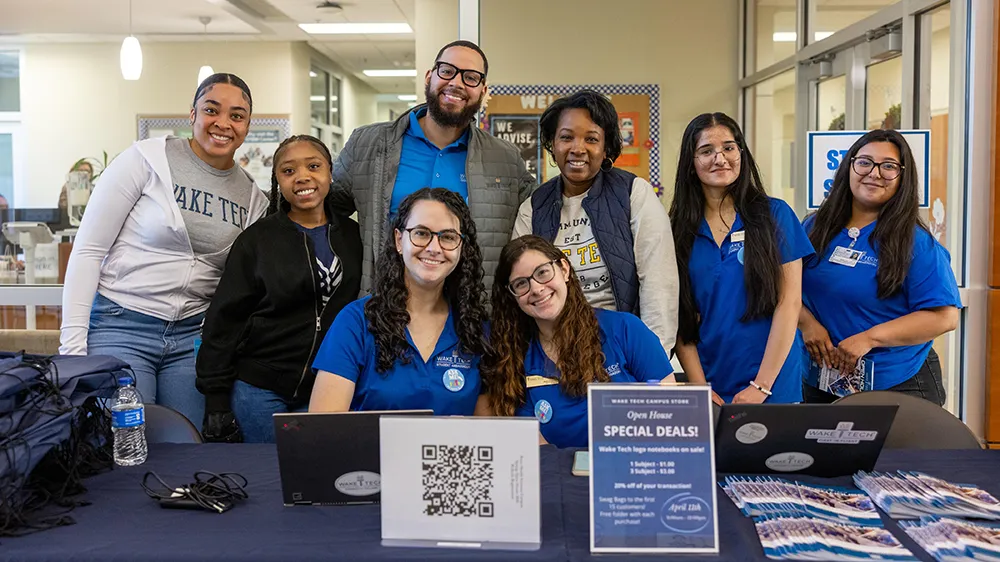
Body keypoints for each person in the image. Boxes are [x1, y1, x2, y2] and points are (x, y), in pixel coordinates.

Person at [59, 73, 269, 429]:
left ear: (247, 125)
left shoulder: (253, 198)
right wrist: (73, 352)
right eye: (211, 110)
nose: (223, 123)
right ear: (192, 115)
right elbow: (88, 251)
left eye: (237, 115)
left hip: (191, 339)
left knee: (185, 446)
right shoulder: (144, 160)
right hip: (122, 326)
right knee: (126, 444)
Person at [329, 39, 535, 294]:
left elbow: (540, 219)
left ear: (483, 91)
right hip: (385, 309)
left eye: (470, 77)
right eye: (447, 71)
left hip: (473, 315)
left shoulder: (505, 160)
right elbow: (321, 211)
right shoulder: (368, 145)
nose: (456, 83)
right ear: (429, 77)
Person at [195, 135, 362, 443]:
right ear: (278, 182)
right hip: (259, 390)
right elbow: (224, 322)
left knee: (317, 478)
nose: (302, 177)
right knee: (269, 476)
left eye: (314, 166)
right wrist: (216, 400)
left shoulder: (355, 237)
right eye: (288, 171)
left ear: (330, 172)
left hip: (328, 387)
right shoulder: (256, 241)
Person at [798, 129, 960, 405]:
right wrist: (806, 323)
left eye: (888, 167)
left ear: (902, 178)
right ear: (849, 166)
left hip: (898, 385)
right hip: (822, 381)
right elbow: (784, 289)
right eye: (865, 162)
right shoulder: (814, 227)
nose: (874, 173)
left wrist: (870, 338)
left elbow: (944, 317)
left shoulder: (915, 242)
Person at [511, 90, 679, 354]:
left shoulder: (634, 193)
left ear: (606, 147)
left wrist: (653, 357)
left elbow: (659, 283)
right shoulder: (532, 207)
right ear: (552, 145)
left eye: (591, 139)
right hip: (554, 350)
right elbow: (521, 286)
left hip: (623, 350)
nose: (578, 148)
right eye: (566, 137)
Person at [669, 112, 813, 405]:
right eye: (706, 151)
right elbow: (681, 319)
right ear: (691, 163)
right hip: (712, 382)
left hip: (774, 384)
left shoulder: (775, 215)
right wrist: (701, 389)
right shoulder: (677, 230)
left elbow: (789, 304)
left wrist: (761, 387)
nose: (719, 158)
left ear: (741, 154)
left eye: (729, 147)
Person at [478, 235, 673, 448]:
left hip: (631, 471)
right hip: (554, 475)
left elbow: (672, 415)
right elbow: (513, 441)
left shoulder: (625, 329)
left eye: (542, 272)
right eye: (521, 283)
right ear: (512, 296)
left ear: (564, 269)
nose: (536, 288)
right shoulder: (510, 355)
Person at [308, 188, 489, 415]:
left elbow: (485, 435)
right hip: (370, 451)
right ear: (399, 240)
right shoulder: (355, 323)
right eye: (421, 233)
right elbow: (324, 428)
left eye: (448, 237)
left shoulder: (476, 329)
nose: (434, 248)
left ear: (461, 247)